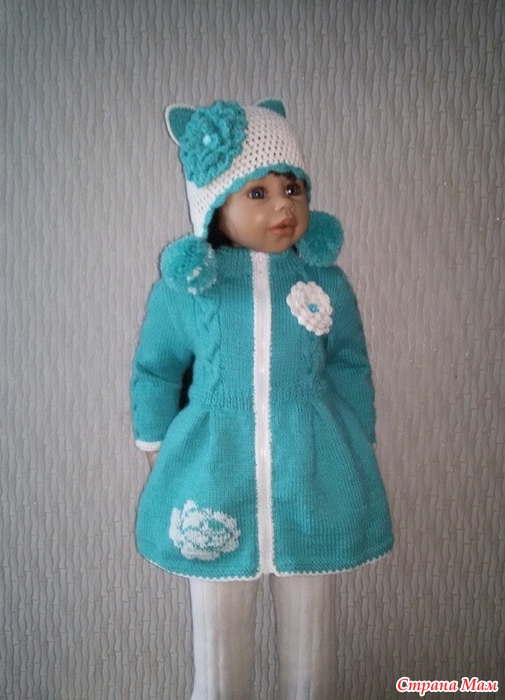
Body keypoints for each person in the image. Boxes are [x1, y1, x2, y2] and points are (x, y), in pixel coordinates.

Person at [131, 99, 394, 699]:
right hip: (212, 480)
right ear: (214, 204)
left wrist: (356, 435)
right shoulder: (188, 290)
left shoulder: (326, 282)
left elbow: (350, 362)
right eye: (258, 192)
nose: (284, 206)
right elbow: (155, 370)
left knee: (313, 640)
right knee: (218, 642)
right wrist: (157, 445)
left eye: (292, 188)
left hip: (313, 471)